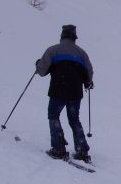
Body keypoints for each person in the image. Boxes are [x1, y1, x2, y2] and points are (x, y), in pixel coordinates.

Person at [36, 25, 94, 163]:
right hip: (75, 93)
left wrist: (38, 64)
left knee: (53, 115)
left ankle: (59, 149)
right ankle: (82, 151)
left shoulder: (53, 50)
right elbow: (89, 72)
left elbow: (42, 71)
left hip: (58, 90)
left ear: (62, 35)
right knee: (74, 119)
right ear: (74, 37)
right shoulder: (82, 53)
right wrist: (88, 83)